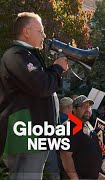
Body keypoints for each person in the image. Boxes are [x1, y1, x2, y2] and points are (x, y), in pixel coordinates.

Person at [0, 12, 68, 179]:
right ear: (26, 31)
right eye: (40, 31)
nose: (44, 35)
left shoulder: (27, 55)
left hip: (33, 135)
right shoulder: (16, 55)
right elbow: (42, 86)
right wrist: (57, 68)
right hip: (24, 135)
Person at [59, 95, 102, 179]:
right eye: (83, 106)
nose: (87, 109)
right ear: (74, 110)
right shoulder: (69, 126)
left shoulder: (87, 124)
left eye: (89, 107)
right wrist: (74, 178)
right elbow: (66, 156)